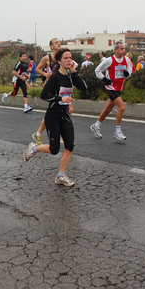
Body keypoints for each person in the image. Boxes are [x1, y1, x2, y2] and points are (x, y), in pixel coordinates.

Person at [22, 48, 87, 187]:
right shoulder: (55, 77)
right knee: (54, 149)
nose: (69, 60)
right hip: (53, 116)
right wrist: (60, 97)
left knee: (70, 145)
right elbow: (44, 95)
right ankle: (33, 148)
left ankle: (61, 175)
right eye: (65, 58)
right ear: (59, 61)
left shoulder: (71, 76)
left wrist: (74, 71)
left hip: (65, 115)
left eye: (70, 58)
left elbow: (84, 88)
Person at [89, 40, 133, 141]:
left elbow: (130, 70)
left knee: (108, 108)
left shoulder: (126, 60)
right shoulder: (109, 60)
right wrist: (104, 79)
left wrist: (127, 74)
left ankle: (96, 125)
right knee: (121, 108)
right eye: (121, 49)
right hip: (110, 87)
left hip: (119, 87)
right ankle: (118, 131)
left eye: (124, 49)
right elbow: (97, 70)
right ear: (115, 50)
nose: (123, 51)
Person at [31, 38, 64, 145]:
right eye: (56, 42)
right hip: (53, 88)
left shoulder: (62, 56)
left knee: (58, 111)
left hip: (62, 87)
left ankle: (38, 134)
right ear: (51, 47)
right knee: (61, 110)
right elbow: (37, 69)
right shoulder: (47, 58)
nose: (59, 43)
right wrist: (46, 75)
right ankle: (60, 133)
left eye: (59, 42)